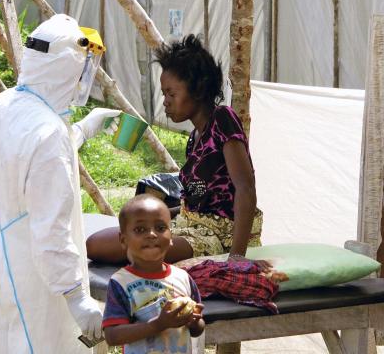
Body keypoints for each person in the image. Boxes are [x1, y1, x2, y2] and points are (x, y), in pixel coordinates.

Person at [0, 14, 121, 353]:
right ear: (66, 70)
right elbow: (51, 230)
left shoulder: (4, 103)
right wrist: (77, 298)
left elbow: (19, 158)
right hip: (36, 275)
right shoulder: (49, 135)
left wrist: (82, 129)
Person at [87, 34, 269, 270]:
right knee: (98, 242)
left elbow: (245, 188)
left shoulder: (223, 119)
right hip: (187, 225)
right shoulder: (194, 138)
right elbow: (195, 200)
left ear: (199, 90)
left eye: (171, 94)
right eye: (165, 94)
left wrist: (236, 257)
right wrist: (153, 217)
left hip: (218, 238)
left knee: (127, 246)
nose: (166, 102)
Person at [102, 194, 205, 353]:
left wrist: (194, 322)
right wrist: (157, 325)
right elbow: (112, 336)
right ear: (123, 240)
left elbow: (198, 329)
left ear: (171, 237)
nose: (151, 234)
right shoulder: (121, 283)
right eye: (140, 229)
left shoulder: (183, 278)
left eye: (160, 228)